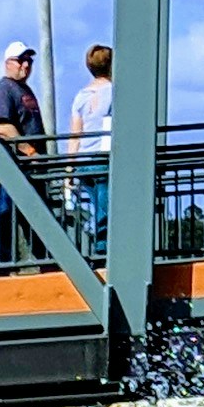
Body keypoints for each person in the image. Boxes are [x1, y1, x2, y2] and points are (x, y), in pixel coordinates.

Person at [0, 39, 45, 267]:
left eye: (29, 61)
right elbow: (1, 126)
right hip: (9, 171)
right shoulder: (3, 90)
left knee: (38, 224)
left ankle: (49, 265)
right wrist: (30, 151)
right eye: (21, 60)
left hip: (29, 172)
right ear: (8, 63)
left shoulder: (24, 90)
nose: (26, 65)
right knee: (4, 223)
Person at [69, 41, 114, 254]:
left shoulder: (81, 96)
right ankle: (104, 248)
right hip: (104, 158)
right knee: (107, 207)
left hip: (84, 161)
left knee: (98, 205)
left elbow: (75, 136)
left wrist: (69, 168)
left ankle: (100, 246)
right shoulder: (114, 92)